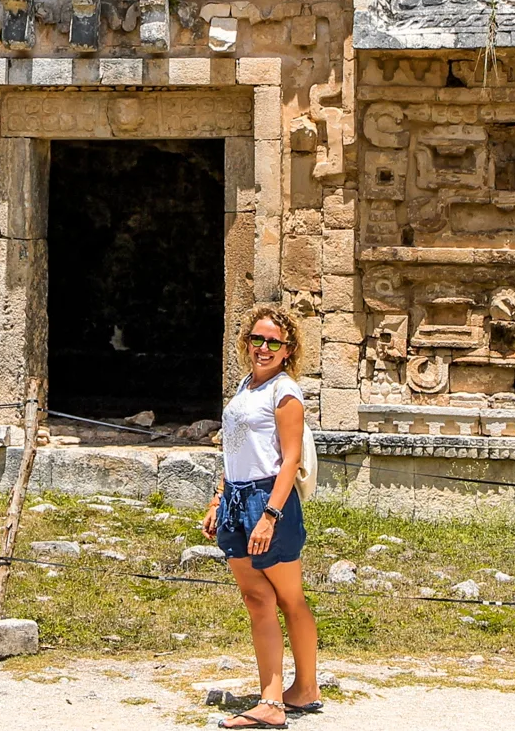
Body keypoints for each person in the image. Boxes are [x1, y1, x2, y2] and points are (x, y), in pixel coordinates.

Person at [204, 303, 321, 726]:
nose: (264, 347)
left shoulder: (284, 392)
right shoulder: (245, 386)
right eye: (258, 339)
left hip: (268, 500)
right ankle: (283, 695)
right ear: (247, 342)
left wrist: (269, 515)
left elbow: (289, 460)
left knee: (290, 599)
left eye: (274, 341)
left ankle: (292, 694)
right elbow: (233, 450)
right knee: (257, 599)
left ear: (288, 349)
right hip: (236, 498)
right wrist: (218, 497)